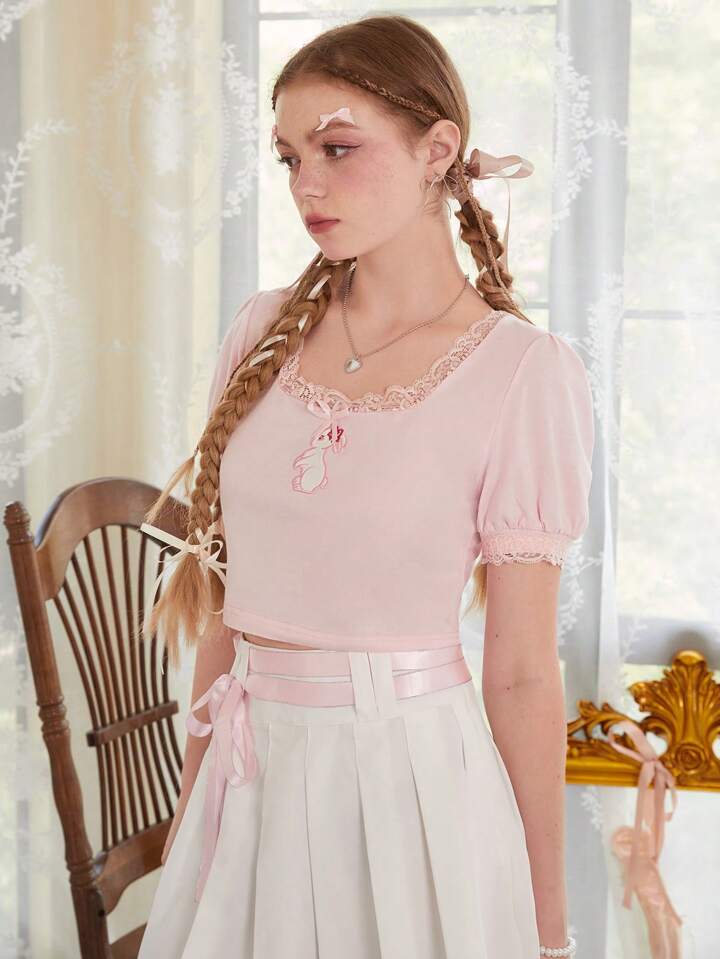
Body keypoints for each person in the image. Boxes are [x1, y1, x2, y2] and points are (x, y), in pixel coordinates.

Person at [137, 13, 592, 959]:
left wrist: (546, 926)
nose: (306, 184)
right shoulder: (259, 332)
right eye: (289, 158)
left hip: (409, 792)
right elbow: (225, 609)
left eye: (337, 148)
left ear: (438, 151)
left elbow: (520, 671)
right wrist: (191, 812)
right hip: (247, 786)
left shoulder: (522, 371)